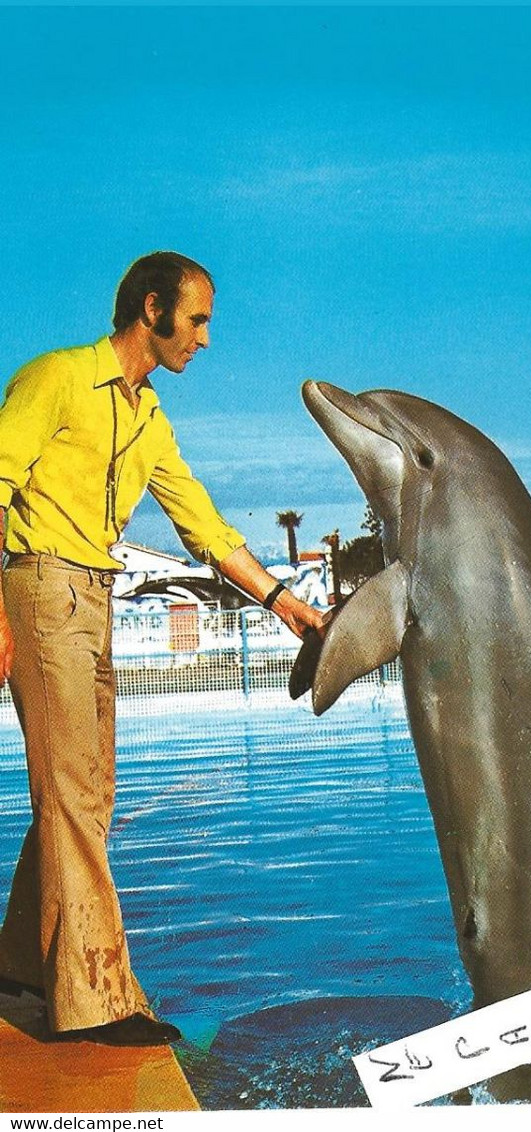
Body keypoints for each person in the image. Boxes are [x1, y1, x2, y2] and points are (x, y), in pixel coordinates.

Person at [0, 252, 325, 1046]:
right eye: (199, 319)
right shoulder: (56, 378)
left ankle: (15, 967)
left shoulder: (149, 420)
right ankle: (96, 1003)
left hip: (93, 597)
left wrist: (287, 605)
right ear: (154, 309)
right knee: (75, 792)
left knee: (87, 793)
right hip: (38, 586)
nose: (205, 340)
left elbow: (205, 528)